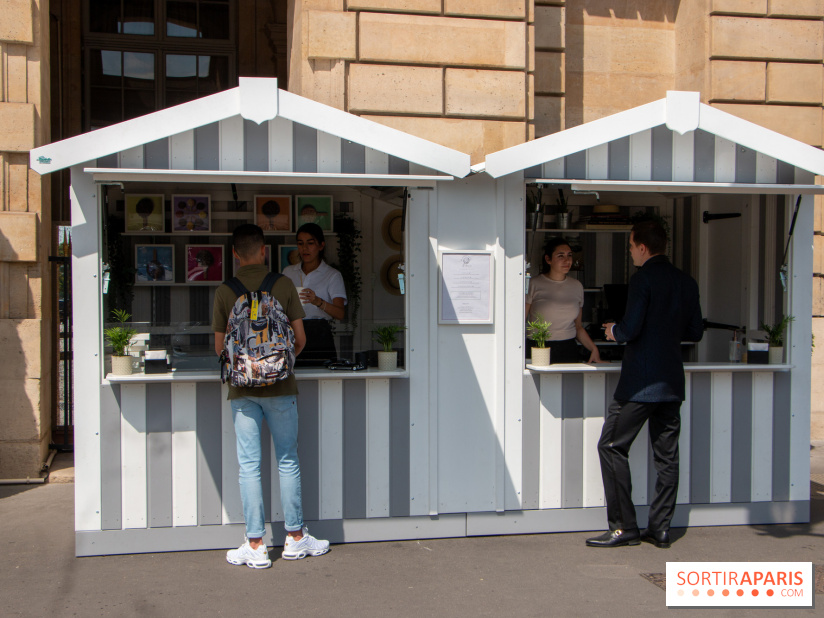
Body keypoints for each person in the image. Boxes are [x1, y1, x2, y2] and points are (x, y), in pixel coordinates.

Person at [213, 223, 329, 568]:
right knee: (287, 459)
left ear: (235, 254)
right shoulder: (282, 284)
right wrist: (279, 364)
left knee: (249, 466)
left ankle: (255, 545)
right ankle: (294, 538)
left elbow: (219, 347)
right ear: (263, 250)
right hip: (281, 387)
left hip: (242, 390)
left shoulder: (224, 291)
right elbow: (301, 338)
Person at [585, 219, 703, 549]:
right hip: (671, 383)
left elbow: (630, 329)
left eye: (631, 246)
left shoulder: (643, 279)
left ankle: (623, 527)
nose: (631, 252)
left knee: (610, 446)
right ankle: (661, 529)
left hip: (640, 384)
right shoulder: (686, 281)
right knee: (667, 457)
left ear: (642, 247)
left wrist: (613, 332)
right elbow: (694, 332)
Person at [525, 237, 602, 363]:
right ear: (548, 259)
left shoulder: (577, 286)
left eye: (569, 255)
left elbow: (578, 327)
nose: (567, 260)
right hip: (539, 347)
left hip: (568, 348)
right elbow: (520, 322)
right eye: (561, 256)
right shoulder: (533, 284)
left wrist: (593, 349)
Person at [282, 223, 347, 365]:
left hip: (319, 332)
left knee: (322, 376)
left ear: (321, 246)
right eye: (300, 243)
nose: (305, 248)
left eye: (310, 243)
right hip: (293, 330)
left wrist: (318, 301)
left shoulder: (332, 275)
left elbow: (340, 313)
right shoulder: (288, 272)